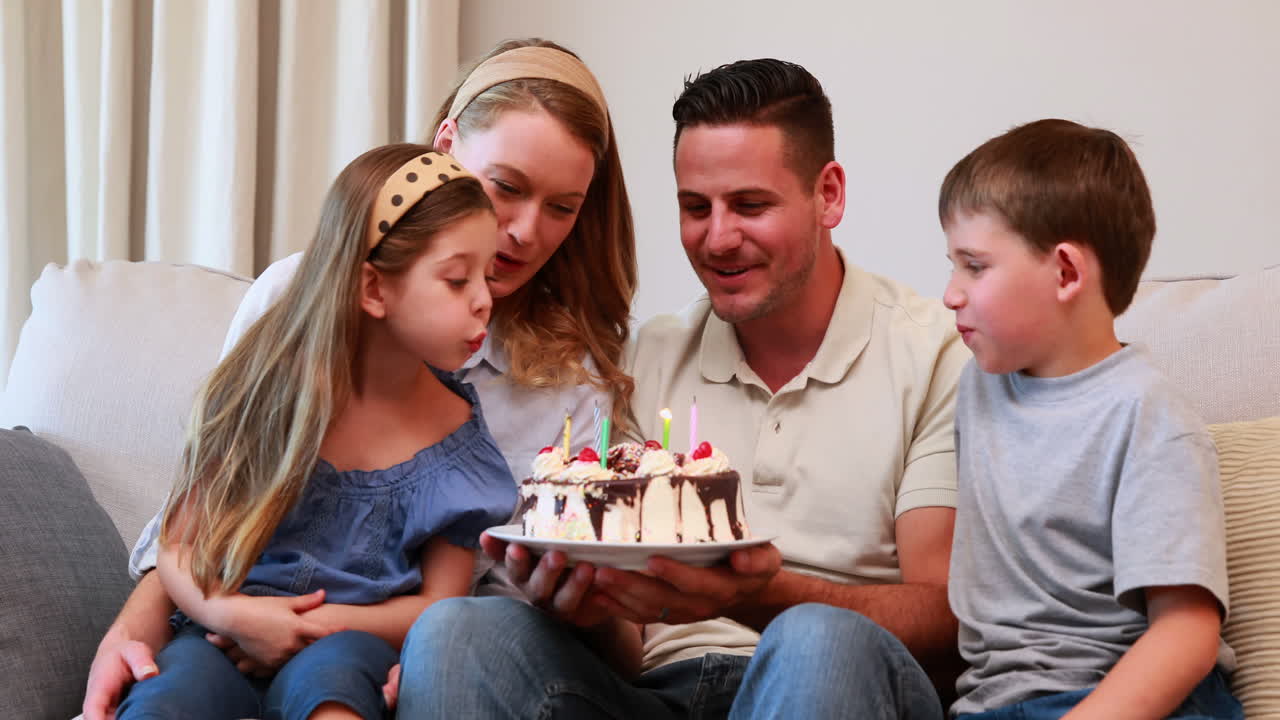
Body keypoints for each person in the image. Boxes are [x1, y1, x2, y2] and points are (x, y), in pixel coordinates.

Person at [396, 58, 969, 719]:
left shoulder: (935, 356)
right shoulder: (645, 360)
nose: (718, 238)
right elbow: (627, 649)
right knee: (457, 630)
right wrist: (577, 600)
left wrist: (755, 595)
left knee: (814, 639)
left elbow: (949, 619)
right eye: (696, 207)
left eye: (750, 205)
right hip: (664, 692)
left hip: (838, 680)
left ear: (829, 195)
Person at [83, 38, 638, 720]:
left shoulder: (569, 389)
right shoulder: (296, 301)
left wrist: (401, 654)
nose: (523, 232)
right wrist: (140, 627)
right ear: (447, 144)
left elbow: (483, 610)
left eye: (563, 207)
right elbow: (205, 511)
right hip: (220, 625)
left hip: (420, 662)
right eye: (508, 187)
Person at [113, 143, 516, 719]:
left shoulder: (458, 446)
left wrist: (313, 626)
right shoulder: (268, 391)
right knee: (168, 702)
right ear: (373, 289)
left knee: (335, 695)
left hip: (351, 647)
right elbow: (179, 544)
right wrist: (235, 616)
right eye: (457, 280)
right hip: (218, 633)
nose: (484, 301)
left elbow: (440, 608)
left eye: (487, 274)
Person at [941, 119, 1241, 719]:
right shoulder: (978, 385)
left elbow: (1186, 634)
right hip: (992, 704)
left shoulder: (1147, 416)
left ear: (1066, 273)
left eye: (974, 267)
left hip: (1124, 698)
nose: (950, 293)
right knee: (823, 638)